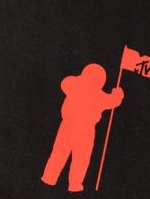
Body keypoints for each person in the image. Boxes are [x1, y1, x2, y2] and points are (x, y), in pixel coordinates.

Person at [41, 63, 124, 192]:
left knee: (62, 154)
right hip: (84, 130)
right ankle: (73, 184)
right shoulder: (98, 95)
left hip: (70, 127)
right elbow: (113, 101)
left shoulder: (75, 86)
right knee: (80, 159)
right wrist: (118, 94)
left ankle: (50, 178)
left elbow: (65, 82)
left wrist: (116, 96)